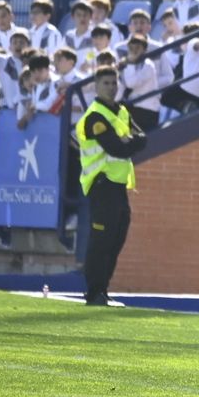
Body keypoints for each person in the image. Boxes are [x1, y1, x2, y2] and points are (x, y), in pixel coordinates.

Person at [76, 64, 147, 307]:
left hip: (118, 186)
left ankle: (103, 290)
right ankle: (94, 292)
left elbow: (143, 138)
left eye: (114, 83)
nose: (111, 87)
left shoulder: (122, 112)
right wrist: (128, 141)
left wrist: (129, 141)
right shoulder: (95, 116)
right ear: (96, 86)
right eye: (105, 83)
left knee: (117, 237)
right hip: (101, 183)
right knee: (101, 240)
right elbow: (117, 148)